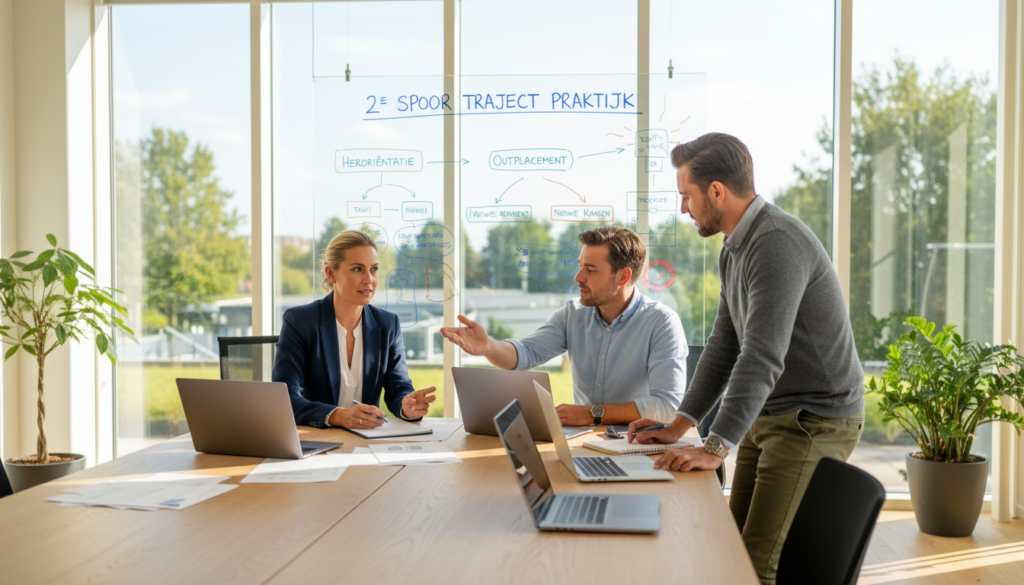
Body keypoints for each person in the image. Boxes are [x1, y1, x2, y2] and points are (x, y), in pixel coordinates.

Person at [627, 133, 864, 585]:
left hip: (815, 417)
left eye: (687, 197)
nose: (683, 210)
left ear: (717, 191)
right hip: (772, 413)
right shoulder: (735, 247)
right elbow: (725, 343)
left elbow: (762, 356)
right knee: (728, 543)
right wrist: (681, 424)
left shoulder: (775, 243)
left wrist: (715, 447)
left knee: (753, 565)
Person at [440, 226, 687, 426]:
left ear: (623, 277)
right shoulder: (573, 314)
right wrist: (488, 347)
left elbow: (666, 406)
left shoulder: (661, 322)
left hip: (638, 444)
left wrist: (592, 413)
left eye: (590, 269)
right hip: (585, 442)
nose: (578, 277)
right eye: (580, 265)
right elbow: (526, 354)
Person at [273, 230, 436, 429]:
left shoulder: (387, 325)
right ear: (331, 273)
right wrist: (337, 416)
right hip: (314, 440)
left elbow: (398, 388)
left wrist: (406, 406)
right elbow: (286, 398)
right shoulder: (300, 321)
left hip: (365, 442)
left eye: (374, 269)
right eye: (358, 269)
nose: (369, 279)